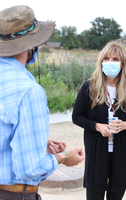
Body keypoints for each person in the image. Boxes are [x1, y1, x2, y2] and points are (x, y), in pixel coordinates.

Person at [0, 5, 84, 200]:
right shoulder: (29, 91)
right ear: (31, 46)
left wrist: (34, 142)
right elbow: (29, 168)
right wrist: (64, 157)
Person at [72, 41, 126, 200]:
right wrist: (96, 126)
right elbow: (77, 116)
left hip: (123, 151)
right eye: (106, 58)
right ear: (101, 62)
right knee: (94, 195)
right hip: (97, 151)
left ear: (122, 64)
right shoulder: (89, 87)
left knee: (116, 195)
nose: (110, 62)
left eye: (115, 59)